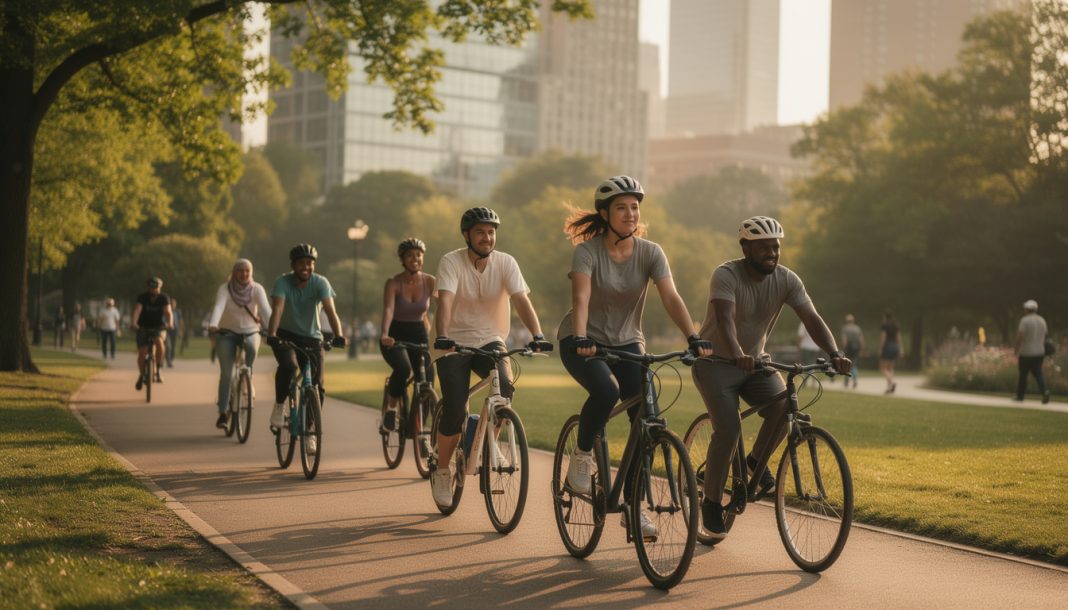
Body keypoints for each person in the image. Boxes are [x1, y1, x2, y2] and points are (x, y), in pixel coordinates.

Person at [558, 175, 712, 539]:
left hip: (628, 343)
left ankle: (633, 507)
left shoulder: (651, 252)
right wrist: (581, 337)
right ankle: (582, 457)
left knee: (648, 418)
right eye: (622, 207)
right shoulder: (587, 252)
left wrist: (693, 336)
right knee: (606, 391)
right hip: (582, 340)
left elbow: (671, 297)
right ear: (604, 213)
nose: (630, 214)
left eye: (635, 207)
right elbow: (580, 299)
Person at [691, 216, 851, 534]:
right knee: (729, 427)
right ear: (746, 247)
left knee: (782, 410)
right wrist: (737, 353)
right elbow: (725, 319)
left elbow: (811, 318)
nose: (772, 254)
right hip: (716, 365)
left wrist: (834, 353)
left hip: (756, 365)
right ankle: (710, 501)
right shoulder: (725, 274)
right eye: (764, 248)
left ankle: (752, 465)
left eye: (775, 247)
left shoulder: (788, 280)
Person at [430, 207, 552, 507]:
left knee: (505, 390)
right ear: (467, 236)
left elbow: (522, 300)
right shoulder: (451, 261)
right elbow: (444, 301)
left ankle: (487, 442)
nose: (487, 237)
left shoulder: (506, 262)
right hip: (452, 342)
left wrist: (537, 334)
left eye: (491, 231)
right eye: (481, 232)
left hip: (490, 339)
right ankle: (443, 469)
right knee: (456, 408)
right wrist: (443, 334)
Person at [265, 244, 346, 452]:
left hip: (312, 338)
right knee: (289, 367)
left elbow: (330, 311)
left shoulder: (320, 282)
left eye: (309, 263)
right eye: (301, 263)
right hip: (285, 335)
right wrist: (272, 334)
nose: (306, 267)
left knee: (317, 386)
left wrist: (339, 335)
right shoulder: (282, 282)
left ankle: (310, 431)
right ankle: (279, 405)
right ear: (293, 265)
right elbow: (278, 309)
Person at [379, 238, 436, 432]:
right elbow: (388, 310)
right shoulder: (394, 283)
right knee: (403, 369)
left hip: (420, 334)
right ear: (402, 259)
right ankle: (391, 410)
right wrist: (385, 334)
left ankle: (418, 429)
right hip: (395, 335)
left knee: (427, 380)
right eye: (410, 255)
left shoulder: (429, 281)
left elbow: (446, 304)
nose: (415, 258)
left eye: (418, 255)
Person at [208, 259, 272, 429]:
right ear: (234, 272)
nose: (244, 274)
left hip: (250, 331)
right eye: (240, 270)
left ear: (251, 273)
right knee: (227, 374)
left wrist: (275, 329)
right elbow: (219, 306)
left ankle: (248, 376)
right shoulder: (225, 289)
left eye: (247, 271)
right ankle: (223, 412)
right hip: (227, 333)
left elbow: (265, 310)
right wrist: (214, 323)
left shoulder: (257, 289)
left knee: (251, 347)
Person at [131, 277, 173, 389]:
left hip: (158, 327)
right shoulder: (142, 297)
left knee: (159, 343)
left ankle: (158, 369)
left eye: (156, 287)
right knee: (142, 353)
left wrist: (170, 323)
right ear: (148, 287)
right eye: (152, 287)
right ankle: (141, 375)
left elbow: (168, 312)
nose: (154, 290)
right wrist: (134, 323)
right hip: (143, 327)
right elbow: (137, 310)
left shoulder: (164, 298)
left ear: (160, 287)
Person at [1014, 299, 1050, 404]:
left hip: (1026, 352)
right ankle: (1045, 391)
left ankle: (1020, 396)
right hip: (1039, 352)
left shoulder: (1025, 320)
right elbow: (1045, 335)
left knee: (1023, 375)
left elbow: (1020, 336)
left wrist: (1016, 349)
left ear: (1027, 309)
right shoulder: (1042, 320)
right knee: (1038, 374)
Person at [879, 310, 902, 394]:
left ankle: (891, 383)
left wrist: (881, 348)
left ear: (885, 317)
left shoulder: (885, 325)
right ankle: (889, 387)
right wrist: (900, 349)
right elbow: (899, 337)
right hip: (895, 346)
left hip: (887, 347)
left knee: (883, 368)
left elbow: (883, 337)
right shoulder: (896, 325)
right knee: (890, 368)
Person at [840, 314, 865, 388]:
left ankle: (846, 382)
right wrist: (862, 349)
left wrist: (844, 348)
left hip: (848, 348)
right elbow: (861, 339)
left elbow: (845, 340)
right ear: (853, 321)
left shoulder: (845, 328)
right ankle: (854, 380)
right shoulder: (857, 328)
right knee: (854, 365)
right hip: (856, 348)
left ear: (847, 321)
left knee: (846, 364)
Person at [165, 298, 184, 368]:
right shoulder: (166, 310)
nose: (173, 305)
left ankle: (171, 359)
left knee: (173, 346)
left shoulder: (178, 312)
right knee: (168, 346)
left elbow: (181, 321)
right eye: (171, 304)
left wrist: (181, 330)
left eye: (174, 304)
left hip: (175, 330)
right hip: (167, 330)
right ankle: (168, 361)